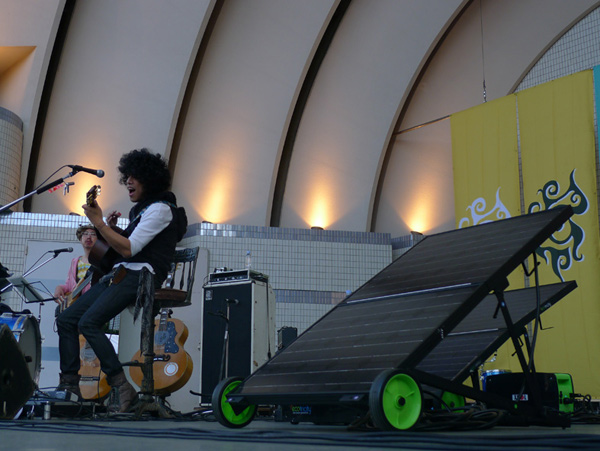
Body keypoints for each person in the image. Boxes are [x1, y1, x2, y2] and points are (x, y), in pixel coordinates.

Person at [56, 148, 187, 412]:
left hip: (142, 275)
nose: (128, 181)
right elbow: (123, 247)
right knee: (66, 319)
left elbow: (129, 249)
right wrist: (108, 226)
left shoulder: (161, 210)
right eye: (126, 176)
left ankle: (122, 386)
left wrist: (100, 224)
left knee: (88, 323)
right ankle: (70, 387)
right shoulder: (144, 209)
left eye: (134, 176)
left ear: (149, 179)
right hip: (122, 274)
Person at [53, 224, 98, 311]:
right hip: (76, 305)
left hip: (93, 304)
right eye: (85, 234)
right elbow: (69, 285)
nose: (89, 237)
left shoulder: (101, 261)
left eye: (93, 234)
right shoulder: (75, 261)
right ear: (80, 239)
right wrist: (59, 288)